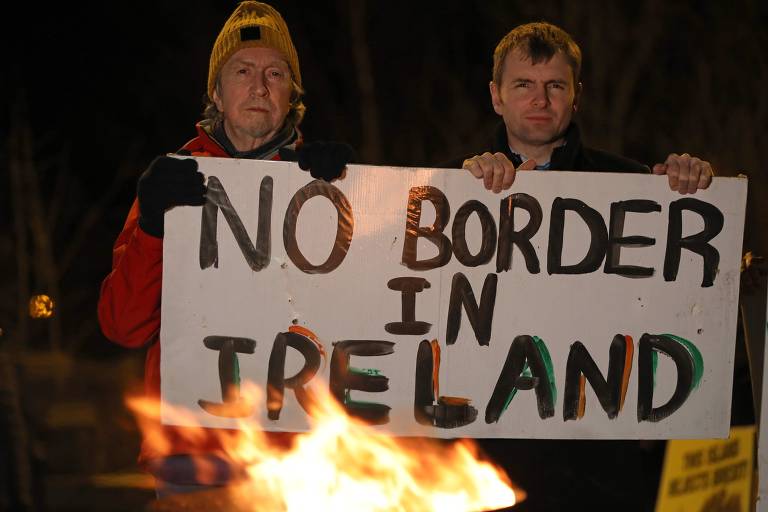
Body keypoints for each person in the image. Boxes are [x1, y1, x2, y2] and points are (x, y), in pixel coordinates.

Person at [97, 1, 353, 497]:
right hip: (194, 457)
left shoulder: (321, 184)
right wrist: (152, 227)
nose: (259, 86)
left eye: (275, 73)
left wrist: (357, 200)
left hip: (296, 458)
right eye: (242, 71)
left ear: (292, 94)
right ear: (216, 90)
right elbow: (123, 326)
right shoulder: (174, 182)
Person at [450, 22, 714, 195]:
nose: (540, 100)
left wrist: (693, 187)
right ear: (497, 97)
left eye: (555, 86)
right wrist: (461, 190)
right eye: (523, 85)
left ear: (576, 97)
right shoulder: (448, 184)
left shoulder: (633, 183)